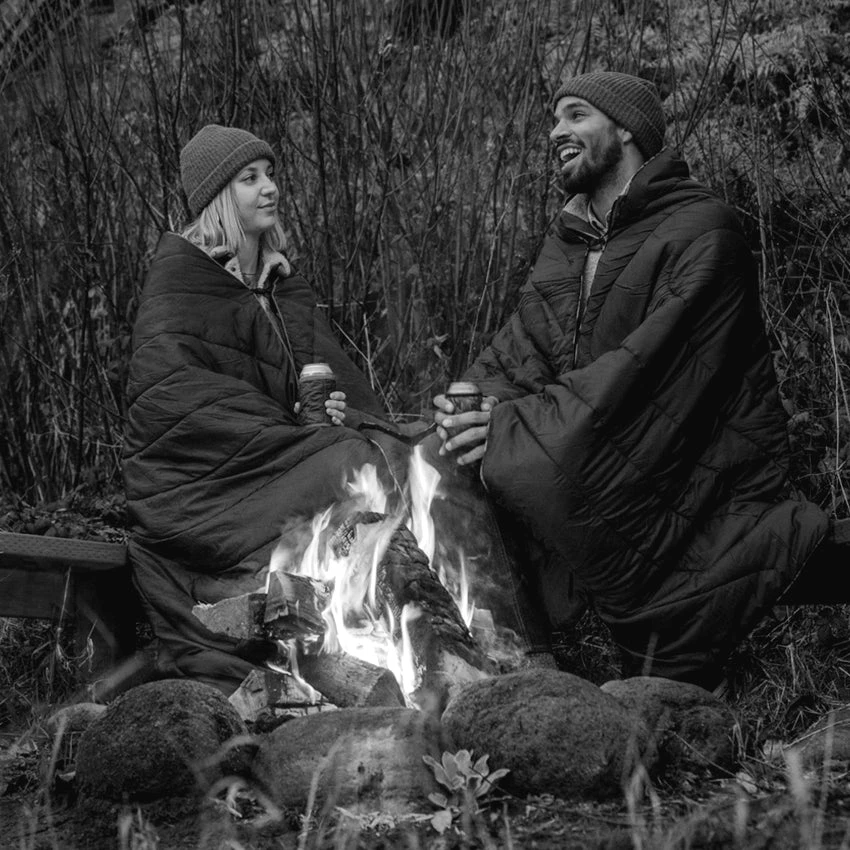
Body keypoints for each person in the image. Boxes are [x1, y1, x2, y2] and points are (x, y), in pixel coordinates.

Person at [433, 71, 831, 690]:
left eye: (576, 116)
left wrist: (512, 427)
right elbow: (522, 352)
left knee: (523, 458)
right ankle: (519, 667)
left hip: (686, 469)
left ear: (626, 130)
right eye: (555, 119)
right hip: (587, 436)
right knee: (435, 457)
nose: (555, 132)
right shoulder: (568, 242)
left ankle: (607, 679)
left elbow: (650, 374)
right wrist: (474, 406)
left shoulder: (703, 228)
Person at [123, 125, 414, 695]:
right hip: (207, 485)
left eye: (271, 174)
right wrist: (297, 428)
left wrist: (334, 411)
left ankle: (409, 627)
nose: (270, 187)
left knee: (407, 453)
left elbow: (327, 390)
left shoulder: (283, 286)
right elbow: (176, 404)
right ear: (217, 197)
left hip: (281, 454)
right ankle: (350, 628)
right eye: (249, 178)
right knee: (352, 463)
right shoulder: (182, 283)